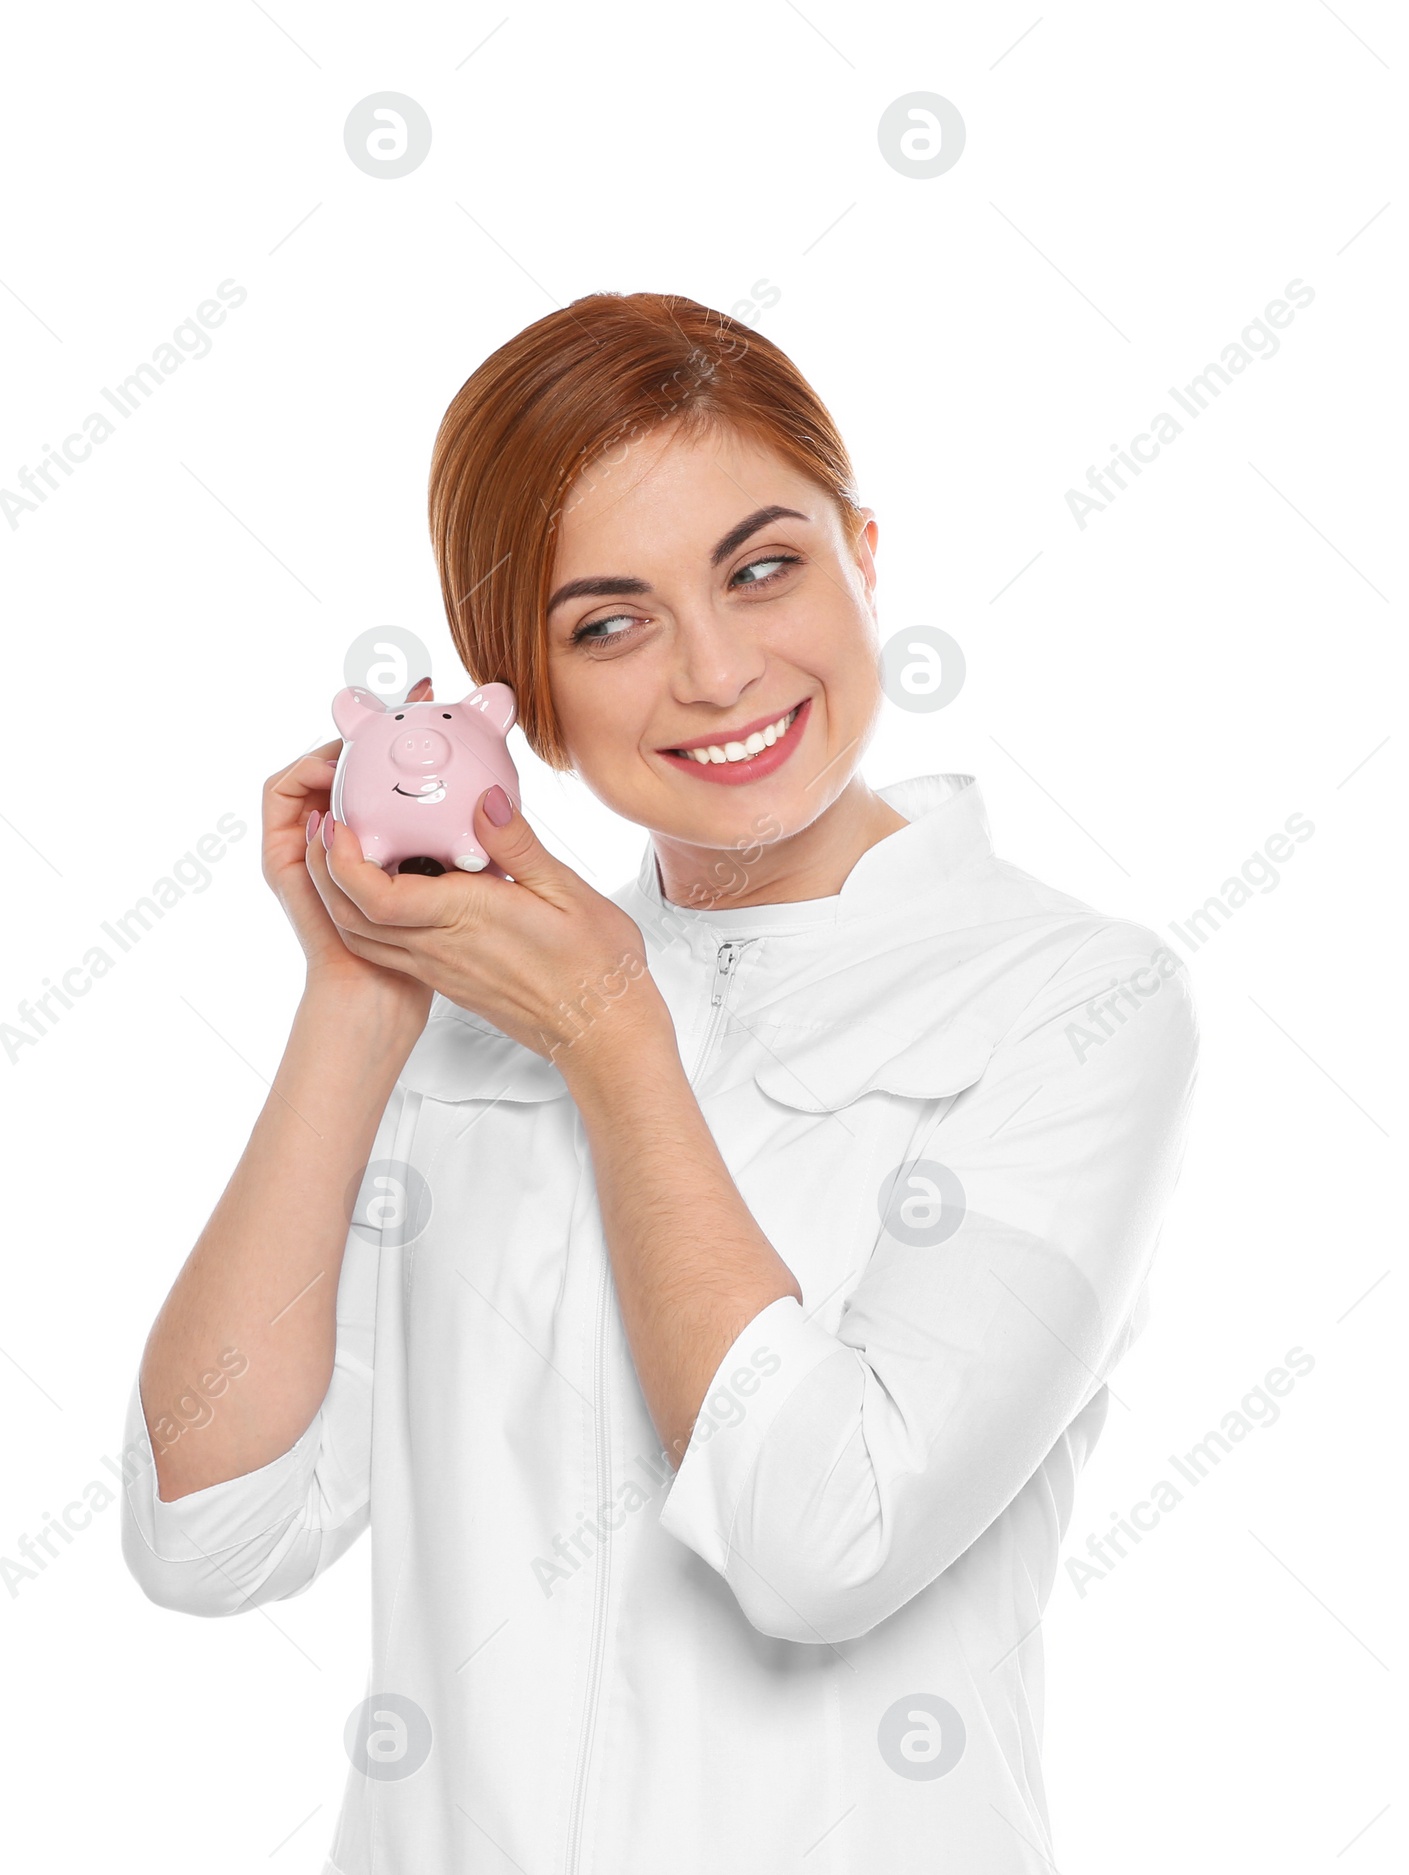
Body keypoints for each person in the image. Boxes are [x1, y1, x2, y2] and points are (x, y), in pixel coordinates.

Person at [120, 292, 1199, 1873]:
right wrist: (362, 1000)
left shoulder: (1074, 1003)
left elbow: (822, 1540)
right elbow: (207, 1531)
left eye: (763, 567)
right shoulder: (477, 1019)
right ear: (518, 697)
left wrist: (615, 1040)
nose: (713, 670)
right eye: (607, 622)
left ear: (866, 555)